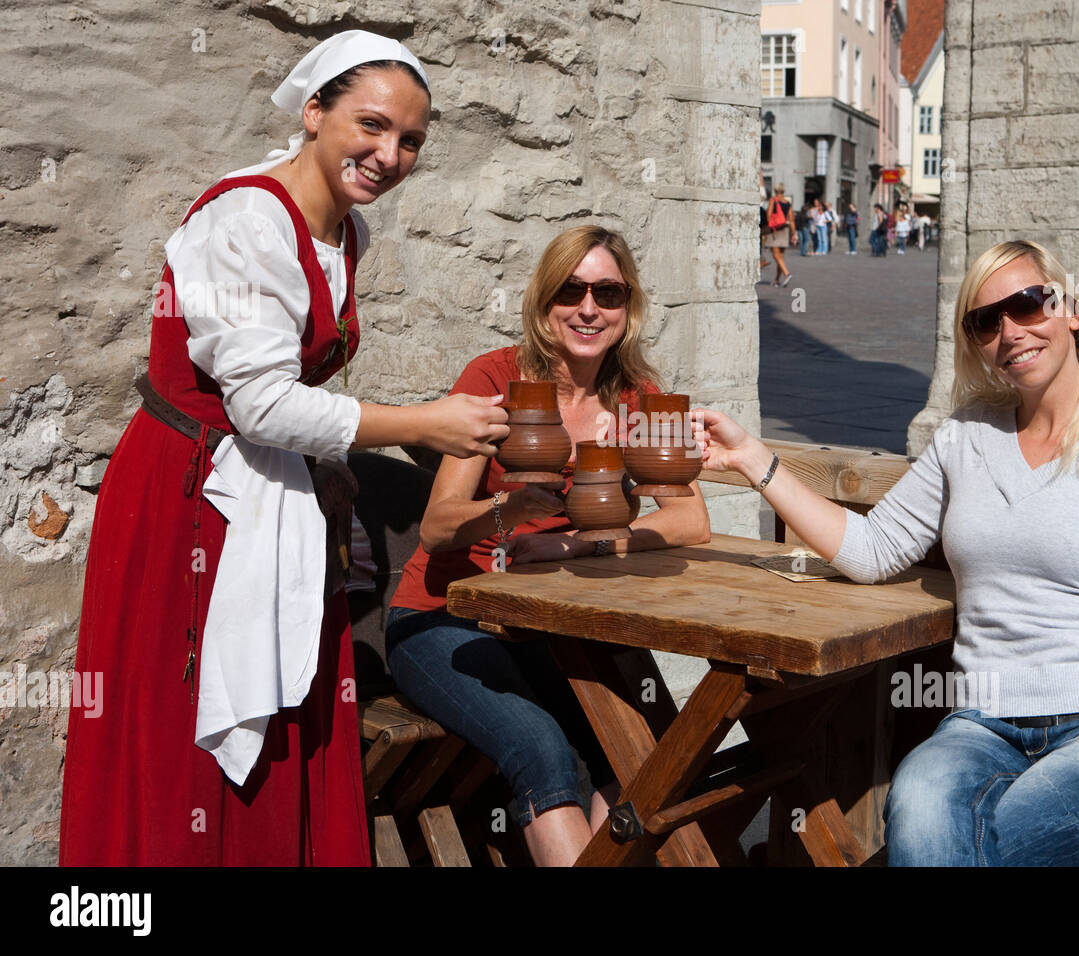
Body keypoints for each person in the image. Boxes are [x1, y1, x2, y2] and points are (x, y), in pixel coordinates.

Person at [58, 31, 511, 866]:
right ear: (313, 111)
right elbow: (259, 402)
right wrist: (425, 422)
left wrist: (329, 464)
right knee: (188, 718)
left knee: (289, 707)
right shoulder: (246, 220)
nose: (389, 153)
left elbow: (285, 386)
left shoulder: (345, 232)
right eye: (370, 125)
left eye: (410, 140)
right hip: (192, 498)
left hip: (269, 493)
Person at [691, 239, 1079, 866]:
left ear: (1073, 309)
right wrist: (754, 459)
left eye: (1029, 304)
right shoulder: (965, 439)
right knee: (918, 803)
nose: (1010, 331)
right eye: (985, 321)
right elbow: (874, 549)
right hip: (983, 723)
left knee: (997, 838)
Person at [385, 225, 711, 867]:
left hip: (564, 623)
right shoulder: (494, 378)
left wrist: (574, 550)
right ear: (543, 300)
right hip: (443, 616)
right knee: (540, 746)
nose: (589, 309)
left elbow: (691, 519)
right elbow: (439, 526)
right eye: (571, 290)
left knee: (646, 749)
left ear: (629, 306)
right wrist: (506, 508)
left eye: (608, 293)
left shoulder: (642, 394)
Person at [763, 184, 794, 286]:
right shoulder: (788, 203)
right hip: (785, 230)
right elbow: (791, 219)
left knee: (776, 255)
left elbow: (768, 215)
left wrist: (768, 222)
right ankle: (776, 280)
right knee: (781, 257)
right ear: (783, 191)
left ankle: (787, 273)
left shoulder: (773, 200)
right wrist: (794, 233)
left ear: (775, 190)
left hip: (775, 230)